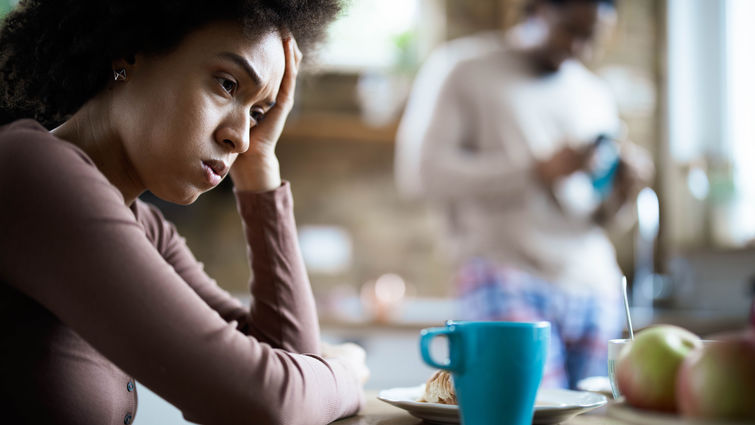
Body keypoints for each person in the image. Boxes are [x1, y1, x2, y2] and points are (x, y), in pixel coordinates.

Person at [0, 1, 369, 424]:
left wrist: (261, 168)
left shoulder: (146, 229)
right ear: (130, 51)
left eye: (258, 114)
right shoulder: (32, 172)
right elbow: (264, 402)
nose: (242, 139)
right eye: (228, 85)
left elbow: (287, 356)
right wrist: (343, 374)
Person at [395, 0, 652, 389]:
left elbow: (598, 215)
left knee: (598, 419)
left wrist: (624, 193)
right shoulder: (463, 69)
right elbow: (420, 175)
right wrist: (535, 171)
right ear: (534, 11)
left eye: (592, 38)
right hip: (503, 272)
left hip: (595, 287)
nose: (580, 49)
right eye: (570, 29)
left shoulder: (594, 93)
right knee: (522, 414)